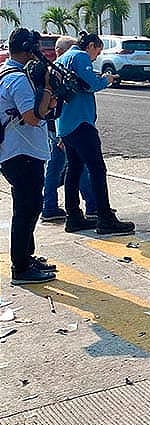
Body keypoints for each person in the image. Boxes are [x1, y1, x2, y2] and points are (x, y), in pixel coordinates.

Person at [56, 31, 135, 235]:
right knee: (97, 170)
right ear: (91, 45)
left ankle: (73, 217)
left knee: (73, 171)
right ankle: (105, 218)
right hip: (81, 122)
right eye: (97, 52)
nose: (96, 57)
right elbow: (90, 83)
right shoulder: (80, 57)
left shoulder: (63, 57)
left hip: (65, 124)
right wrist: (106, 79)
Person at [0, 28, 58, 284]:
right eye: (36, 47)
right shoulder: (18, 79)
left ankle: (26, 256)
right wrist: (46, 87)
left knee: (25, 205)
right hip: (21, 153)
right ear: (27, 48)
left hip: (15, 152)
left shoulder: (6, 73)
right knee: (27, 208)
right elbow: (33, 118)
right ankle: (21, 267)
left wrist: (47, 99)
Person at [41, 36, 95, 222]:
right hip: (59, 127)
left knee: (62, 167)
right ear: (61, 51)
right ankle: (91, 205)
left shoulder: (54, 70)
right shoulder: (57, 72)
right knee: (76, 167)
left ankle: (52, 206)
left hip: (57, 126)